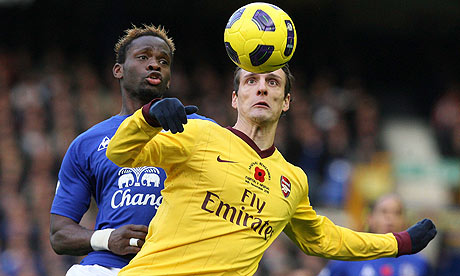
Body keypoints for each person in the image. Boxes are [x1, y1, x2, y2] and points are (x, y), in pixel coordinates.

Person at [106, 65, 437, 276]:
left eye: (272, 82)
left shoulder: (292, 180)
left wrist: (398, 242)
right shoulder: (197, 133)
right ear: (235, 99)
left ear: (286, 101)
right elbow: (120, 153)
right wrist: (147, 117)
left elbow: (324, 240)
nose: (262, 88)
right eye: (251, 81)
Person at [49, 24, 212, 276]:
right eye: (143, 57)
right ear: (118, 70)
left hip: (173, 267)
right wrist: (108, 238)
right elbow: (59, 233)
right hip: (105, 266)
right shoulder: (86, 143)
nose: (154, 64)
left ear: (169, 79)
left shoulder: (201, 130)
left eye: (163, 61)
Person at [319, 194, 432, 276]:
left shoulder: (419, 263)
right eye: (384, 212)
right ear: (370, 219)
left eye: (397, 213)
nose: (390, 218)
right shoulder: (349, 258)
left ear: (405, 221)